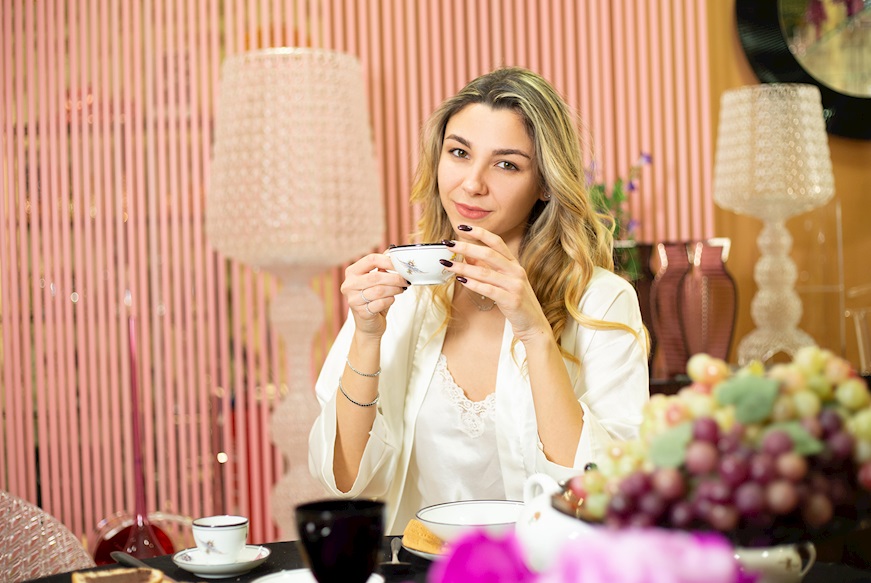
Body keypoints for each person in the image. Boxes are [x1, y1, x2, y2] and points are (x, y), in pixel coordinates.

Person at [308, 66, 649, 534]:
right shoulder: (404, 297)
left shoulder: (602, 302)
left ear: (546, 183)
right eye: (459, 153)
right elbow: (345, 479)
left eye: (506, 164)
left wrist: (533, 331)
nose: (472, 183)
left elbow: (606, 493)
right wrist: (367, 335)